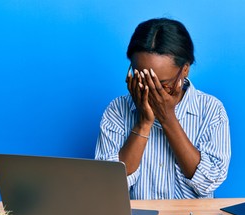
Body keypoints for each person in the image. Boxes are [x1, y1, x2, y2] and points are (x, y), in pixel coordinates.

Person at [95, 18, 231, 199]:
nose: (150, 90)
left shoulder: (211, 110)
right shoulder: (118, 110)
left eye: (161, 84)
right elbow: (107, 186)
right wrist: (143, 123)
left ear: (185, 70)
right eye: (141, 79)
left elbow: (209, 182)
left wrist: (168, 118)